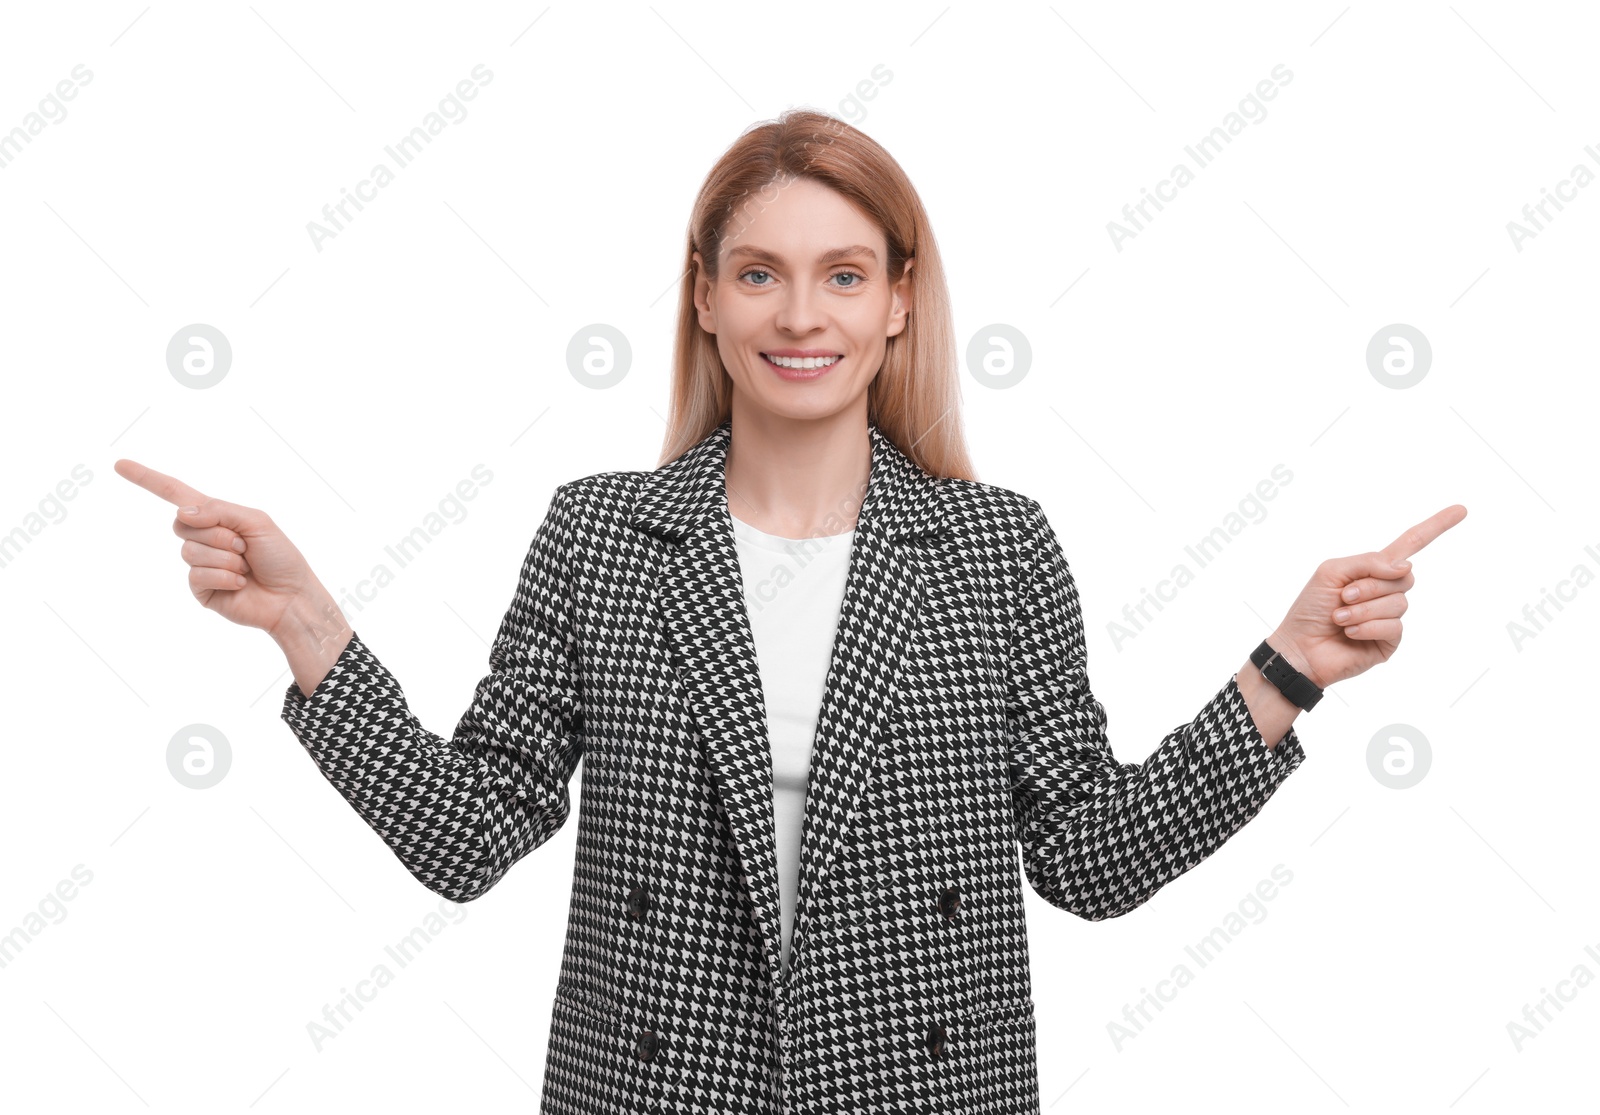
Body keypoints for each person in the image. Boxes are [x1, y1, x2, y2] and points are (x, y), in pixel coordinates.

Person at [117, 109, 1466, 1114]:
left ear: (896, 304)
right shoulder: (601, 536)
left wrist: (1290, 671)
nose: (798, 312)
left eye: (842, 273)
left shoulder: (997, 548)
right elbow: (471, 833)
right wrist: (308, 631)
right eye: (758, 272)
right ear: (704, 300)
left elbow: (1088, 861)